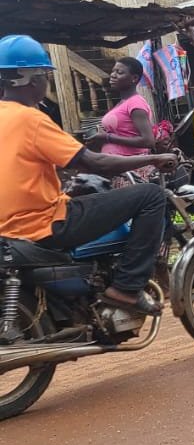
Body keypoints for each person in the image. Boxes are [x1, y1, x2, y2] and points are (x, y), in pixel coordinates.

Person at [0, 35, 178, 316]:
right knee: (152, 197)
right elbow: (97, 163)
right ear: (33, 80)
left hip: (7, 229)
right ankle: (127, 287)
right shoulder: (30, 119)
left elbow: (44, 163)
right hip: (44, 224)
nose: (47, 83)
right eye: (46, 76)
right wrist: (155, 157)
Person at [94, 57, 157, 184]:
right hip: (118, 169)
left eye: (119, 72)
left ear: (134, 78)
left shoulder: (136, 103)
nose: (113, 75)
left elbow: (148, 140)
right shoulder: (122, 103)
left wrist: (108, 137)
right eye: (113, 71)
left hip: (131, 172)